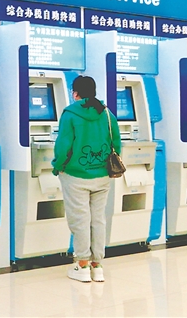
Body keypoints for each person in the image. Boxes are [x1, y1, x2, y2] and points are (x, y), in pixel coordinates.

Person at [51, 75, 121, 283]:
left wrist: (57, 166)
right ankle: (97, 265)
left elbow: (63, 146)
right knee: (98, 219)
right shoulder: (107, 113)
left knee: (80, 220)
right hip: (102, 176)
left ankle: (82, 265)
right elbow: (116, 143)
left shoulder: (70, 114)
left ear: (75, 93)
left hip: (76, 176)